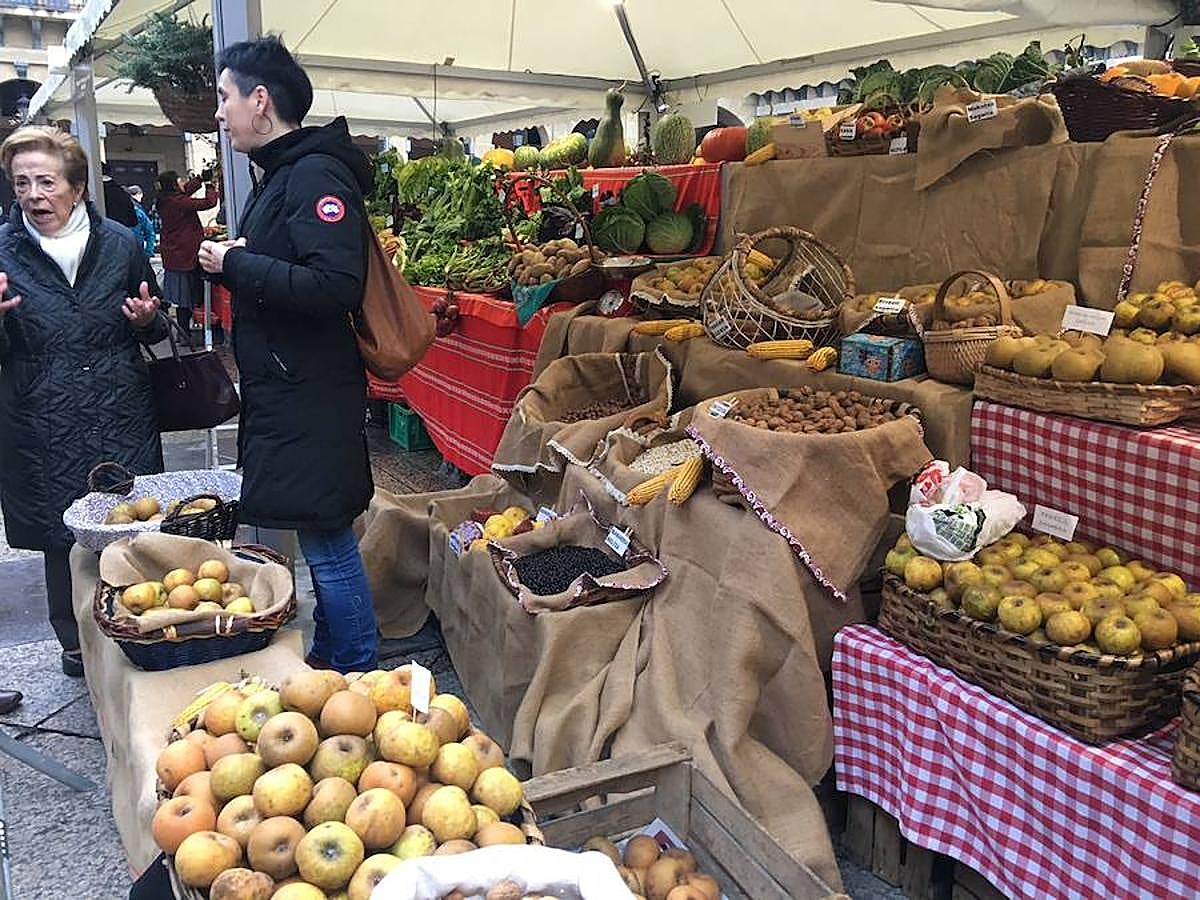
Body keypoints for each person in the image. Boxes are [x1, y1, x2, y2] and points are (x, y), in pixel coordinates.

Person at [199, 36, 377, 673]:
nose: (218, 112)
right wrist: (235, 268)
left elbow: (335, 286)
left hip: (309, 390)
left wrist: (240, 262)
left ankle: (354, 665)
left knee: (325, 536)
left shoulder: (312, 175)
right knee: (320, 529)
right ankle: (335, 658)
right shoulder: (282, 175)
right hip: (292, 385)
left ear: (261, 100)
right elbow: (290, 272)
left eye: (225, 97)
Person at [0, 126, 166, 677]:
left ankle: (142, 620)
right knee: (59, 529)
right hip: (40, 408)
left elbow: (153, 315)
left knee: (130, 519)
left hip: (119, 400)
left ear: (75, 186)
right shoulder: (4, 250)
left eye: (46, 181)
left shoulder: (120, 242)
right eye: (21, 183)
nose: (33, 195)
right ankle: (73, 642)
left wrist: (148, 322)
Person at [157, 169, 218, 340]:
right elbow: (209, 202)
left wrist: (199, 179)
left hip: (175, 255)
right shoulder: (178, 203)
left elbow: (186, 190)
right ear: (174, 184)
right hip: (184, 255)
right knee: (185, 297)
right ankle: (184, 334)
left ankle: (183, 332)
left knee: (182, 296)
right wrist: (209, 185)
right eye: (180, 180)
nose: (183, 182)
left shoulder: (166, 199)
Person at [127, 184, 156, 258]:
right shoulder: (138, 211)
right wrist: (149, 252)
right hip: (138, 249)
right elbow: (150, 232)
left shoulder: (117, 211)